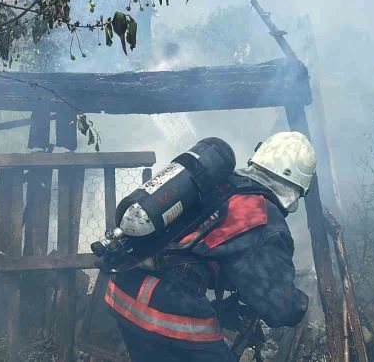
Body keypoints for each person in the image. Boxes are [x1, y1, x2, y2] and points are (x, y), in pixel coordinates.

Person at [104, 131, 316, 362]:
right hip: (165, 309)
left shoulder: (222, 185)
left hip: (124, 289)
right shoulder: (262, 217)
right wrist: (303, 305)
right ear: (297, 189)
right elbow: (278, 306)